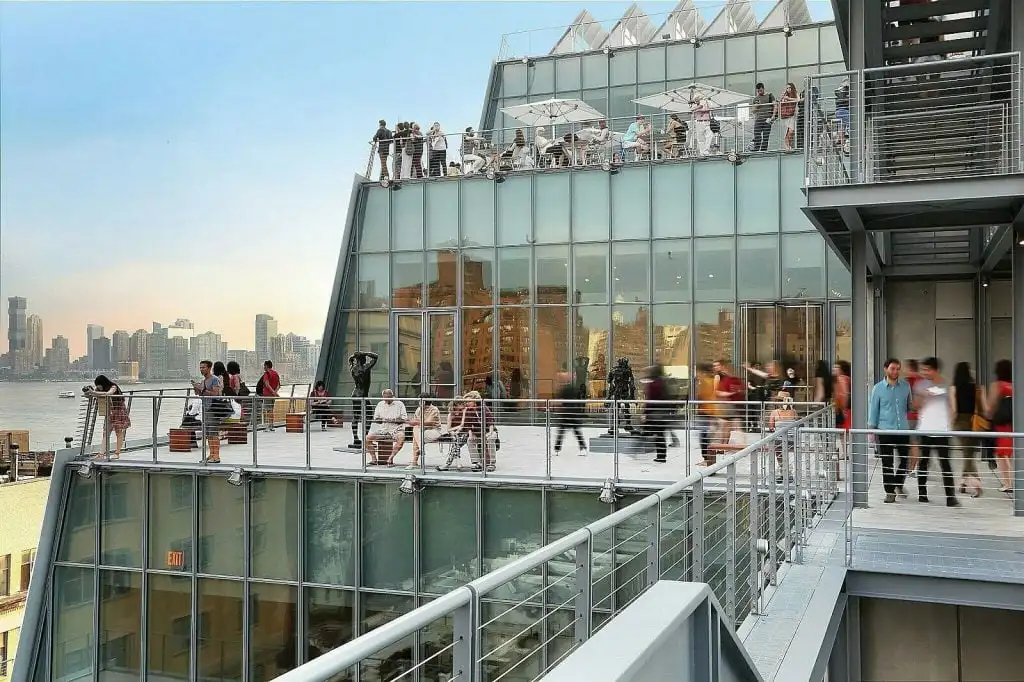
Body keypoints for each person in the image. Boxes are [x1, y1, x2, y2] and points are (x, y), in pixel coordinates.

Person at [867, 358, 913, 503]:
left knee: (905, 460)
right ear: (886, 369)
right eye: (893, 368)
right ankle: (890, 492)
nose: (895, 371)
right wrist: (871, 432)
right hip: (884, 430)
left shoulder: (906, 386)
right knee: (887, 462)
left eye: (898, 368)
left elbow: (909, 406)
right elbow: (873, 411)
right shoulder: (878, 388)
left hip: (903, 429)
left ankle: (898, 483)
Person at [914, 357, 958, 506]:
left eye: (928, 369)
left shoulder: (946, 386)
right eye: (924, 369)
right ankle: (922, 494)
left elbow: (953, 408)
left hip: (942, 432)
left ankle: (950, 497)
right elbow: (916, 406)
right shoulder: (920, 385)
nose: (925, 372)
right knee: (923, 462)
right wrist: (923, 396)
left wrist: (949, 424)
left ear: (936, 370)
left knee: (945, 464)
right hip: (925, 430)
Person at [949, 362, 982, 498]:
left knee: (967, 454)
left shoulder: (953, 388)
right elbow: (979, 407)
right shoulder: (975, 388)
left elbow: (954, 410)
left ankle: (976, 484)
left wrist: (949, 424)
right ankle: (963, 482)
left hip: (959, 423)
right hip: (973, 422)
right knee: (969, 452)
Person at [985, 359, 1014, 493]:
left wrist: (981, 399)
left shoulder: (997, 385)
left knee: (1002, 454)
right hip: (1015, 422)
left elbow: (989, 408)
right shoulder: (1016, 384)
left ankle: (1008, 483)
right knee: (1011, 451)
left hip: (1002, 423)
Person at [86, 375, 130, 459]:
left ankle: (117, 453)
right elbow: (93, 394)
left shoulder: (113, 387)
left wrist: (94, 392)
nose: (98, 387)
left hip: (118, 411)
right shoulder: (99, 389)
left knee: (118, 432)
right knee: (106, 432)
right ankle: (101, 454)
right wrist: (89, 392)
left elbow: (108, 394)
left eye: (98, 385)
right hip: (109, 412)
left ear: (103, 383)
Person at [193, 360, 226, 464]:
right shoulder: (203, 381)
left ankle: (216, 456)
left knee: (213, 433)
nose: (202, 369)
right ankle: (211, 454)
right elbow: (201, 394)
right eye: (200, 367)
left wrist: (202, 390)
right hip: (205, 409)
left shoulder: (214, 380)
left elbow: (216, 394)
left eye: (204, 367)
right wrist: (197, 388)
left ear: (209, 368)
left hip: (213, 408)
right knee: (208, 433)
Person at [365, 389, 409, 461]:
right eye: (385, 398)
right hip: (383, 430)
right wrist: (383, 420)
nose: (387, 400)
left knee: (401, 438)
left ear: (392, 396)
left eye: (389, 398)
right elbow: (376, 419)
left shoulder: (399, 404)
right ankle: (373, 458)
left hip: (396, 430)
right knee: (367, 438)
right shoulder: (380, 404)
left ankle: (391, 457)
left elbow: (404, 419)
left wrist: (393, 420)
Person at [553, 371, 587, 457]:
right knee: (577, 431)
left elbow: (559, 399)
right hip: (573, 413)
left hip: (566, 413)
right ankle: (583, 447)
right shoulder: (575, 389)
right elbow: (580, 401)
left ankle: (557, 448)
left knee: (561, 431)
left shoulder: (564, 389)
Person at [461, 390, 497, 472]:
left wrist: (490, 432)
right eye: (466, 402)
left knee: (491, 438)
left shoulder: (483, 408)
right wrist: (470, 435)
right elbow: (468, 425)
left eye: (469, 401)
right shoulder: (469, 410)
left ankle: (492, 463)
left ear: (475, 401)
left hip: (489, 430)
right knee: (470, 441)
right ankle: (477, 462)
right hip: (477, 433)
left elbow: (490, 421)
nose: (467, 403)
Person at [768, 391, 799, 483]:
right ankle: (788, 474)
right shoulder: (794, 412)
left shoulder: (774, 412)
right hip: (792, 440)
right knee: (786, 452)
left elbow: (771, 427)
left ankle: (784, 473)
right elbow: (797, 424)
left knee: (778, 451)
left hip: (780, 440)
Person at [643, 364, 671, 463]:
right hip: (663, 413)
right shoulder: (663, 382)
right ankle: (661, 455)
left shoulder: (653, 383)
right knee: (660, 434)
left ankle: (661, 455)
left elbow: (650, 400)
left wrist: (645, 413)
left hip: (655, 413)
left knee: (657, 434)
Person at [407, 393, 442, 468]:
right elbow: (416, 420)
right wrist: (411, 422)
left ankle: (414, 461)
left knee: (416, 435)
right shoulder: (419, 409)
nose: (418, 402)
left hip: (434, 431)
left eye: (420, 401)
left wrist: (417, 422)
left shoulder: (434, 409)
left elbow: (430, 423)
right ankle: (420, 450)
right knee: (416, 431)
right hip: (421, 431)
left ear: (424, 401)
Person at [695, 364, 719, 466]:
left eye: (698, 372)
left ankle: (707, 459)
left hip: (706, 411)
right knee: (706, 436)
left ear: (703, 372)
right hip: (709, 411)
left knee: (704, 436)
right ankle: (708, 459)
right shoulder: (711, 380)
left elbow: (702, 396)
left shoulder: (705, 382)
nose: (696, 374)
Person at [904, 359, 922, 477]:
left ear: (910, 368)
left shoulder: (908, 382)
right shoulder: (922, 381)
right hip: (921, 416)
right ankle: (915, 467)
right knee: (916, 443)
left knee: (912, 444)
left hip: (910, 417)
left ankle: (912, 468)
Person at [749, 82, 776, 152]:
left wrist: (773, 116)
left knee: (766, 137)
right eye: (758, 91)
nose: (759, 92)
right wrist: (756, 106)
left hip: (767, 119)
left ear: (763, 89)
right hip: (758, 119)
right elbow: (753, 111)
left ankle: (763, 151)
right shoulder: (755, 99)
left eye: (760, 90)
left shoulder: (770, 95)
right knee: (757, 135)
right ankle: (756, 150)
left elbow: (775, 105)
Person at [257, 360, 281, 431]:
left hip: (267, 394)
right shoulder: (276, 373)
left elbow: (267, 384)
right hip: (272, 396)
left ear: (266, 366)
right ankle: (271, 425)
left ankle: (269, 426)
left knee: (268, 410)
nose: (263, 367)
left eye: (264, 366)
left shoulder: (266, 374)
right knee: (271, 410)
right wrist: (275, 392)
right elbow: (278, 385)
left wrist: (272, 392)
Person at [779, 83, 799, 151]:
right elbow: (779, 102)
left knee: (791, 131)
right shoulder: (785, 94)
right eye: (787, 88)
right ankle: (787, 146)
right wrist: (783, 98)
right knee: (786, 132)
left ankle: (789, 144)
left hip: (792, 115)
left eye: (789, 88)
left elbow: (798, 100)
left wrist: (788, 98)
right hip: (785, 115)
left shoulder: (795, 93)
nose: (788, 89)